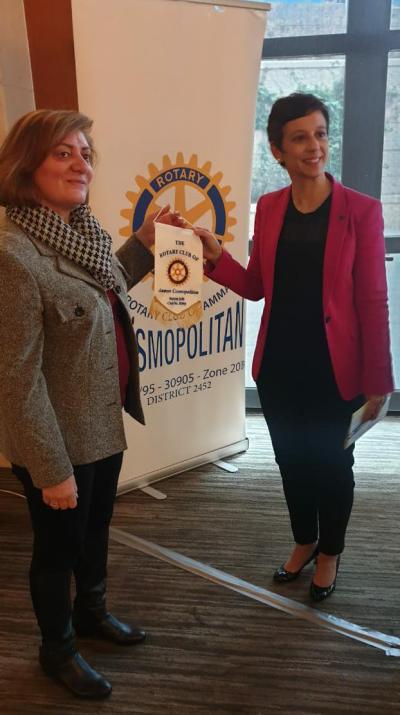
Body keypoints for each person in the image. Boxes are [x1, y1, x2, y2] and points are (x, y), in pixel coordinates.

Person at [0, 109, 183, 698]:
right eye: (64, 153)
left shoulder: (83, 234)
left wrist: (143, 245)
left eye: (86, 154)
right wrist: (51, 469)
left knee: (95, 530)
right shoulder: (13, 256)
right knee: (57, 549)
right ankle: (57, 649)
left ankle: (92, 613)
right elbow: (15, 380)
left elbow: (101, 288)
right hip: (57, 441)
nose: (82, 164)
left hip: (102, 423)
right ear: (26, 165)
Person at [196, 93, 393, 603]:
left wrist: (379, 381)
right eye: (300, 138)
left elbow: (373, 300)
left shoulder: (362, 211)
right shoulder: (270, 207)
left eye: (321, 134)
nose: (315, 147)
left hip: (336, 370)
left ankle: (330, 552)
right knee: (291, 462)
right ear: (277, 149)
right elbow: (257, 285)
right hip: (280, 367)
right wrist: (217, 257)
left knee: (333, 467)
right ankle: (304, 540)